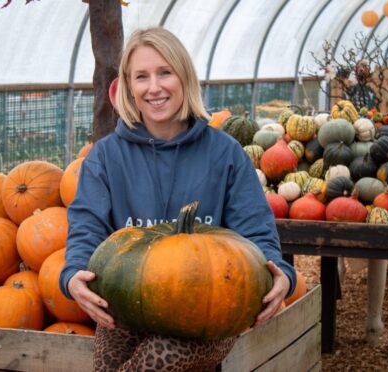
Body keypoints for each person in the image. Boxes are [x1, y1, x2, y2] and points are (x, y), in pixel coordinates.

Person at [59, 26, 296, 371]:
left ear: (184, 77)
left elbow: (257, 234)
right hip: (130, 301)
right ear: (128, 87)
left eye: (164, 73)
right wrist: (72, 276)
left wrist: (283, 275)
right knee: (108, 359)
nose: (154, 87)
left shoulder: (224, 153)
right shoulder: (105, 157)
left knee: (158, 357)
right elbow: (86, 228)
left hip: (211, 307)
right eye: (141, 76)